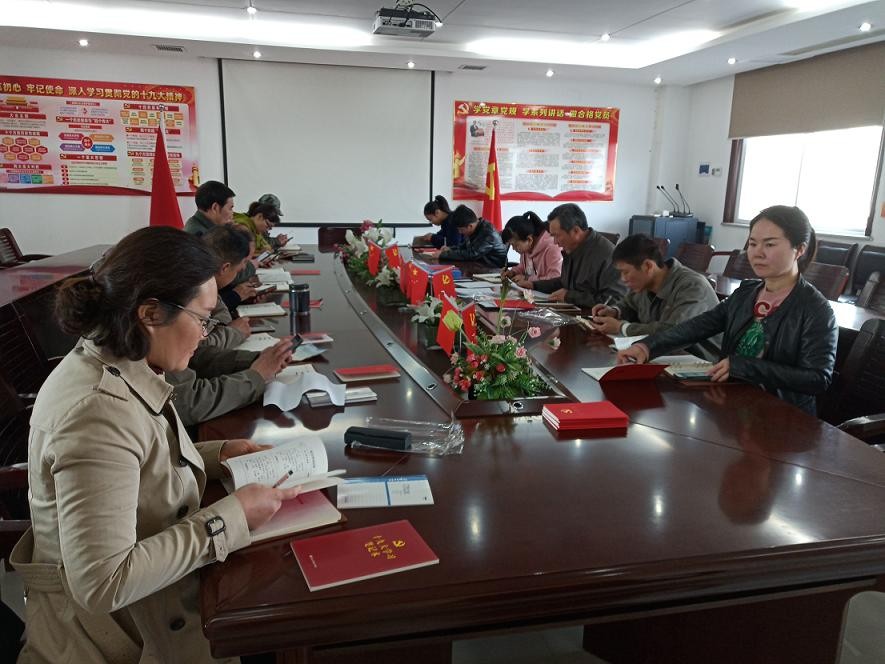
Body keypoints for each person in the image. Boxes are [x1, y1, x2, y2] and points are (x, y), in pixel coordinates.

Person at [10, 227, 299, 662]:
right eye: (202, 319)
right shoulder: (95, 413)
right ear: (149, 313)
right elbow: (102, 582)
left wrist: (217, 455)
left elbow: (137, 461)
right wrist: (231, 518)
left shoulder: (122, 360)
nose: (205, 335)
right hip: (118, 639)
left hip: (150, 608)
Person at [617, 205, 837, 415]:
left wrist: (745, 367)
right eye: (752, 244)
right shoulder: (746, 293)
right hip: (732, 403)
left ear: (799, 249)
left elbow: (818, 378)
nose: (757, 253)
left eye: (769, 245)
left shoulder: (816, 309)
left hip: (783, 417)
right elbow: (697, 327)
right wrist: (647, 346)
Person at [588, 234, 721, 360]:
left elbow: (673, 331)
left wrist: (621, 328)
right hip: (660, 356)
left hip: (701, 364)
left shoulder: (692, 286)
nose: (623, 279)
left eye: (626, 272)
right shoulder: (644, 284)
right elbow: (628, 304)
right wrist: (614, 311)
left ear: (648, 266)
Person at [530, 203, 625, 307]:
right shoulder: (572, 248)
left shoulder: (608, 255)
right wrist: (534, 285)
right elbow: (565, 282)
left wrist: (569, 296)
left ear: (576, 231)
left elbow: (614, 300)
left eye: (557, 236)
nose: (555, 242)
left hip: (591, 315)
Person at [201, 224, 256, 348]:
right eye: (242, 264)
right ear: (225, 268)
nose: (244, 268)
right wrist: (234, 333)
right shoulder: (192, 289)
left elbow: (223, 314)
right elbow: (198, 346)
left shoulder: (208, 283)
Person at [438, 205, 508, 268]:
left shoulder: (488, 233)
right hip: (478, 266)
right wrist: (450, 249)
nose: (459, 232)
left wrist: (443, 255)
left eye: (461, 230)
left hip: (494, 269)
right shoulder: (475, 229)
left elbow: (472, 254)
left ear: (470, 226)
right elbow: (463, 247)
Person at [501, 211, 562, 283]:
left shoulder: (552, 247)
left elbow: (555, 278)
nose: (513, 249)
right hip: (532, 289)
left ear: (529, 239)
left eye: (515, 245)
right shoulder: (527, 249)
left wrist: (527, 279)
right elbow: (524, 267)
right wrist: (513, 272)